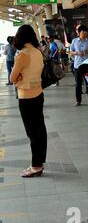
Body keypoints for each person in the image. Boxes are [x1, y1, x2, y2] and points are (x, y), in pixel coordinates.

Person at [10, 25, 47, 177]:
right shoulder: (37, 52)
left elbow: (12, 78)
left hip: (26, 97)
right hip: (38, 94)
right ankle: (39, 162)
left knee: (32, 133)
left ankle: (36, 166)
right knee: (40, 130)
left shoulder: (23, 54)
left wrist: (18, 77)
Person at [70, 25, 88, 106]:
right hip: (77, 65)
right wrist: (76, 53)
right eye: (83, 31)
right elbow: (70, 52)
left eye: (86, 31)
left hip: (87, 64)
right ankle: (78, 100)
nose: (85, 33)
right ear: (79, 32)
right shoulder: (74, 41)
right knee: (78, 84)